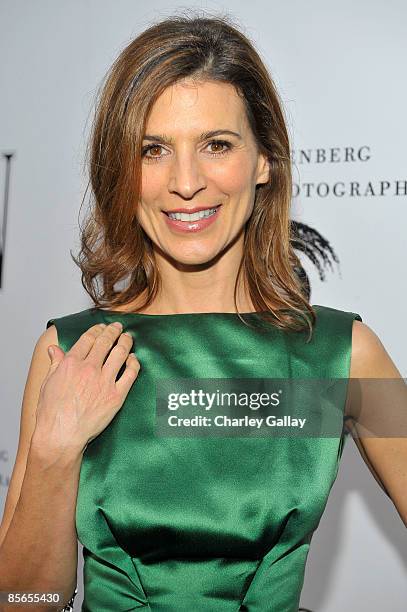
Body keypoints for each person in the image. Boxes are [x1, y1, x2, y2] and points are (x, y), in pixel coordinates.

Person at [0, 12, 405, 612]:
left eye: (216, 145)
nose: (185, 182)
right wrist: (55, 454)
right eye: (153, 149)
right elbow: (25, 601)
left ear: (265, 160)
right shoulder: (73, 353)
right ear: (122, 171)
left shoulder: (341, 355)